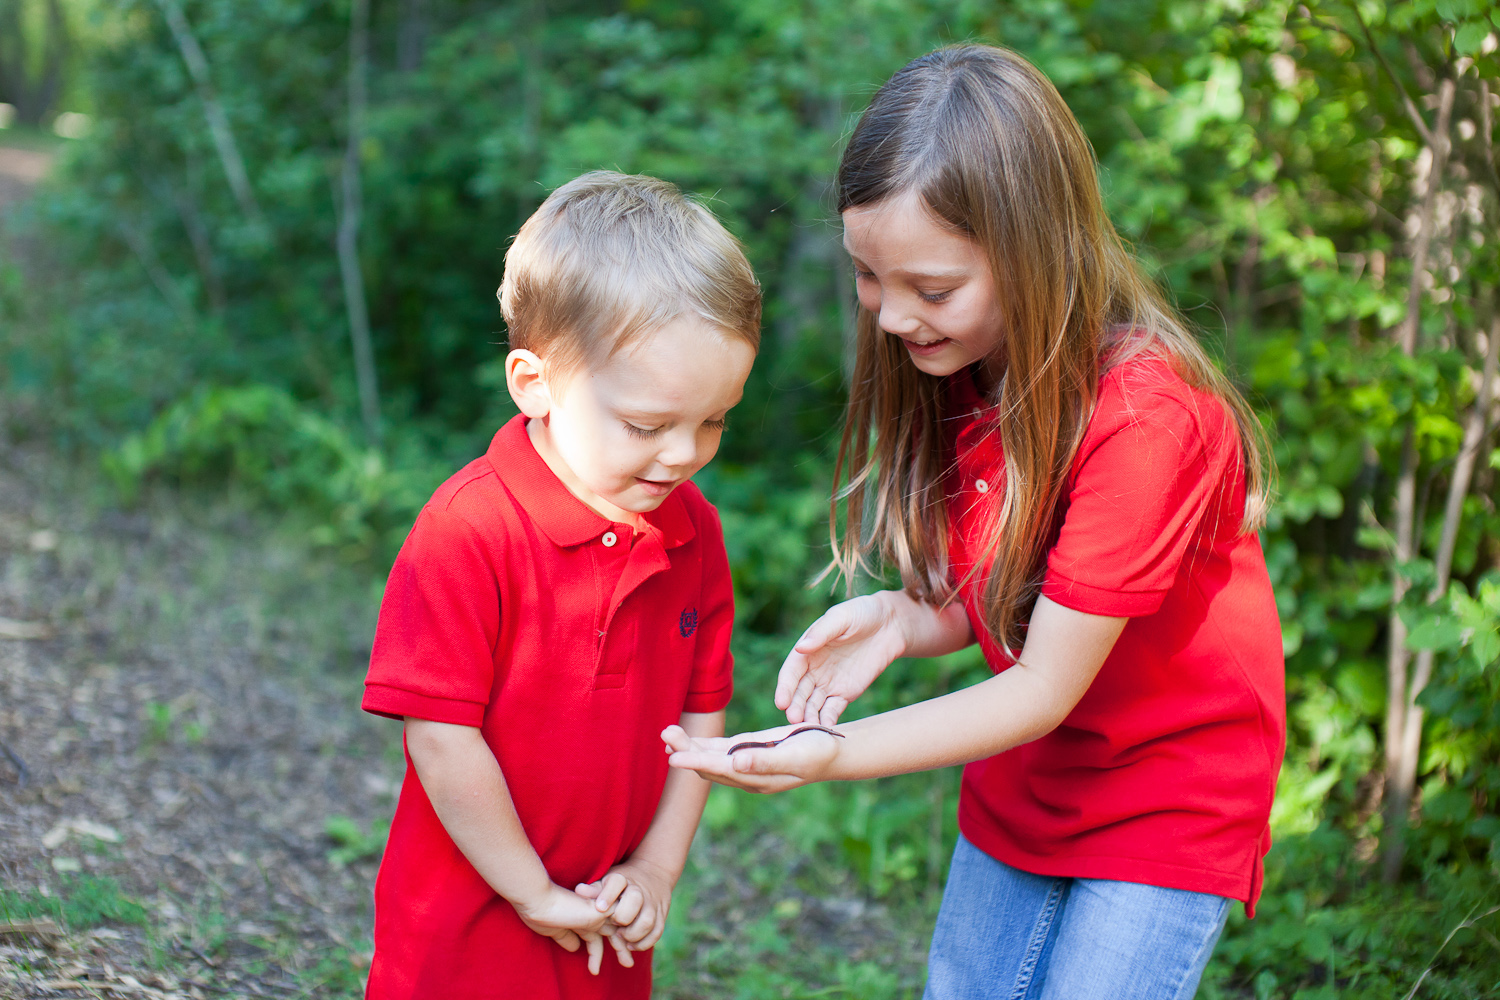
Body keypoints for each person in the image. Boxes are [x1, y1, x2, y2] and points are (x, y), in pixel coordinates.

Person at [665, 45, 1285, 1000]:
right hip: (1030, 776)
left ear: (1036, 252)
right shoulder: (972, 365)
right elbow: (1010, 591)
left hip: (1167, 796)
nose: (889, 316)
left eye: (932, 288)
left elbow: (1041, 684)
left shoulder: (1147, 421)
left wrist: (834, 756)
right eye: (869, 275)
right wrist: (910, 618)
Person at [361, 170, 760, 1000]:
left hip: (606, 928)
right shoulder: (469, 531)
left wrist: (655, 868)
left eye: (716, 420)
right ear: (533, 383)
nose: (685, 454)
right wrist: (529, 891)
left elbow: (699, 719)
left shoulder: (692, 532)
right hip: (467, 924)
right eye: (648, 426)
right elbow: (440, 736)